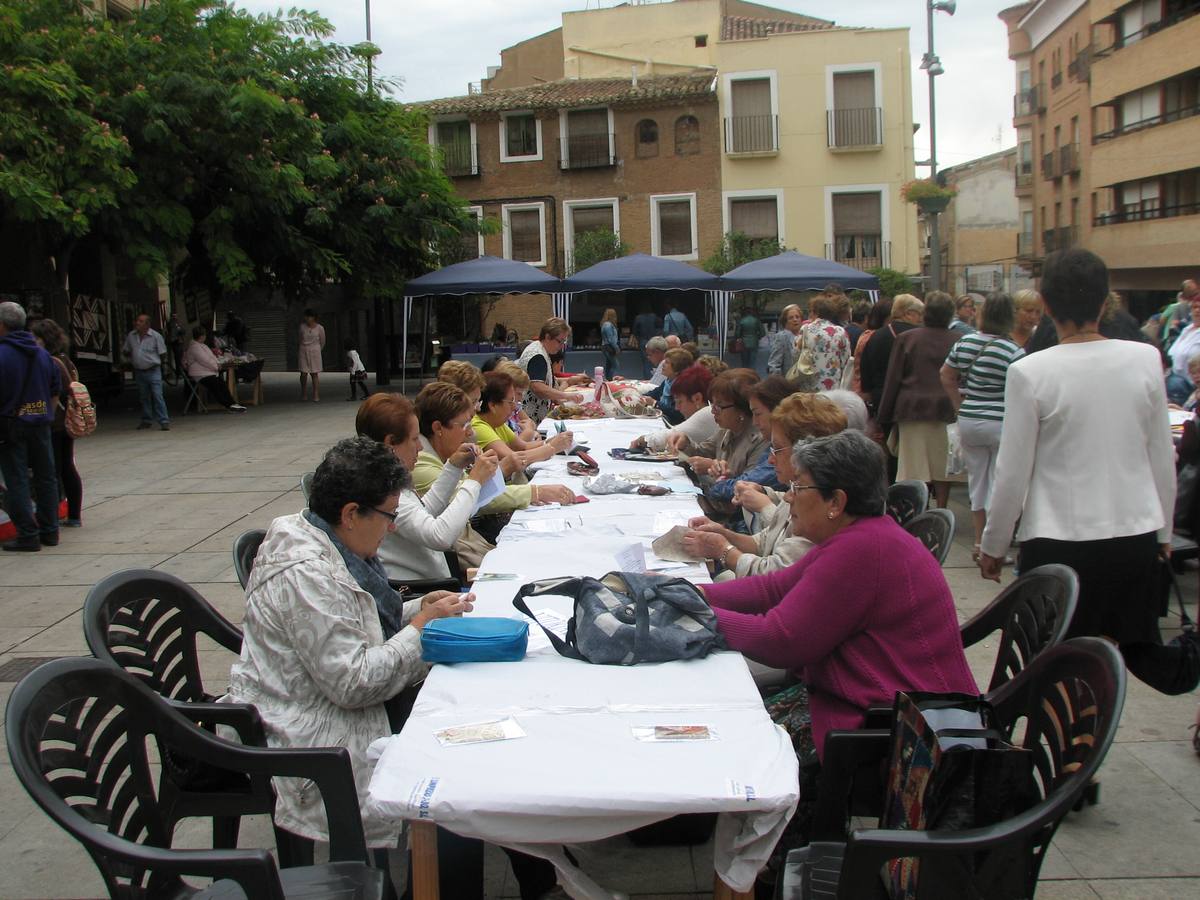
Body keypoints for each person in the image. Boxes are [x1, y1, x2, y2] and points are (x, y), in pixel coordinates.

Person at [698, 431, 976, 878]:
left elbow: (783, 639)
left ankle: (769, 867)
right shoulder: (857, 537)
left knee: (751, 746)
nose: (788, 498)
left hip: (895, 727)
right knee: (738, 722)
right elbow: (772, 588)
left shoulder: (865, 550)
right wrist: (694, 595)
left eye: (799, 487)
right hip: (870, 704)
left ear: (836, 501)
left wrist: (700, 618)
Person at [980, 249, 1179, 690]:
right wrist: (1164, 533)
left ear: (1046, 306)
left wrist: (993, 543)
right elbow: (1161, 457)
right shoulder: (1145, 359)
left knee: (1056, 660)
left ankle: (1070, 739)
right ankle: (1089, 733)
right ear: (1105, 301)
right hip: (1134, 533)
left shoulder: (1031, 371)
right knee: (1111, 657)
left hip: (1059, 541)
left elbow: (1013, 471)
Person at [683, 392, 847, 579]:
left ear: (805, 452)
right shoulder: (796, 490)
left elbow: (774, 577)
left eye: (777, 449)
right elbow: (763, 542)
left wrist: (722, 548)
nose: (770, 459)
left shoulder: (813, 507)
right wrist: (722, 533)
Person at [355, 393, 499, 581]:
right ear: (390, 442)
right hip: (422, 590)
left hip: (432, 585)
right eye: (414, 439)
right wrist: (474, 481)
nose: (420, 447)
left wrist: (454, 467)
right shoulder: (382, 491)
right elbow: (439, 536)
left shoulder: (384, 478)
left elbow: (423, 511)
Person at [412, 383, 576, 543]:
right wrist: (534, 491)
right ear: (438, 428)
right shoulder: (422, 464)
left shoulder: (445, 453)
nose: (470, 432)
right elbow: (466, 500)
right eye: (464, 425)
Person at [940, 292, 1025, 558]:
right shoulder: (1014, 351)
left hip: (969, 419)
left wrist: (959, 406)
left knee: (977, 481)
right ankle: (994, 545)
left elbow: (946, 375)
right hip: (1001, 422)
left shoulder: (965, 343)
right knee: (1000, 483)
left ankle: (978, 542)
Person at [877, 291, 965, 509]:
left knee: (915, 467)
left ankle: (919, 508)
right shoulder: (959, 340)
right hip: (947, 410)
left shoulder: (908, 339)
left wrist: (884, 415)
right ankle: (942, 508)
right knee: (943, 466)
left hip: (912, 410)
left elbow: (894, 378)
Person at [0, 302, 62, 551]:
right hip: (40, 422)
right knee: (46, 477)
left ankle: (28, 534)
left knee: (17, 480)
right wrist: (46, 415)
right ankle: (50, 530)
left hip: (11, 425)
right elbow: (55, 390)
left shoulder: (3, 355)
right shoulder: (42, 354)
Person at [686, 369, 775, 521]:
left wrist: (715, 471)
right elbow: (701, 451)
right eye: (712, 404)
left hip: (734, 518)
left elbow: (746, 488)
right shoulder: (726, 431)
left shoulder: (761, 439)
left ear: (741, 409)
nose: (713, 411)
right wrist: (684, 442)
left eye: (719, 406)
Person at [30, 318, 83, 529]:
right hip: (67, 421)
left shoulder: (50, 362)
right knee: (67, 466)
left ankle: (51, 517)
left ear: (45, 339)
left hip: (55, 423)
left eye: (36, 338)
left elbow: (55, 391)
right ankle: (73, 515)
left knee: (52, 471)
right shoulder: (65, 359)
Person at [472, 370, 574, 476]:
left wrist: (550, 442)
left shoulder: (496, 421)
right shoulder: (479, 426)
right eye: (511, 402)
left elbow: (523, 447)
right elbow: (515, 459)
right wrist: (552, 447)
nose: (515, 407)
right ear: (493, 406)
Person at [630, 363, 717, 453]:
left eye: (679, 402)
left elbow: (661, 439)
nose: (676, 408)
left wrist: (640, 441)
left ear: (697, 398)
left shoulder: (708, 413)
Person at [859, 294, 923, 414]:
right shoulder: (918, 336)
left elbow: (865, 368)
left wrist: (868, 392)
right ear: (908, 313)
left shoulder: (876, 336)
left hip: (881, 398)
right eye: (919, 314)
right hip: (911, 399)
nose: (921, 319)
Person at [515, 317, 583, 423]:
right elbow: (537, 387)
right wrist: (566, 395)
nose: (561, 346)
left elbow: (545, 378)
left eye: (563, 342)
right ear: (547, 337)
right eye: (560, 341)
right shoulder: (538, 356)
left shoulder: (539, 349)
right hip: (530, 418)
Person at [181, 326, 247, 412]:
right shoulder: (195, 347)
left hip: (206, 372)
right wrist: (216, 366)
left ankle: (232, 403)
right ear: (201, 336)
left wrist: (218, 363)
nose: (205, 336)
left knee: (221, 383)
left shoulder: (202, 345)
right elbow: (205, 360)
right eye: (204, 335)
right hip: (200, 374)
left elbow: (211, 357)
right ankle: (229, 404)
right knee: (216, 384)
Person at [123, 312, 170, 431]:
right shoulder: (131, 336)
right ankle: (146, 419)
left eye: (140, 321)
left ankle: (164, 420)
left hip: (153, 369)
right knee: (144, 397)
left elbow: (163, 353)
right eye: (137, 321)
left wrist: (160, 365)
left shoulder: (156, 336)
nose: (137, 323)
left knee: (157, 395)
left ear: (147, 324)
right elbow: (126, 350)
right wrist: (131, 357)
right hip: (139, 371)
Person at [796, 293, 852, 391]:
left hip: (809, 384)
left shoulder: (805, 329)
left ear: (815, 312)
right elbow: (846, 359)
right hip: (833, 385)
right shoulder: (840, 331)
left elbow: (795, 353)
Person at [493, 361, 543, 442]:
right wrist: (528, 434)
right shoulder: (499, 416)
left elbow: (531, 424)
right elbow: (509, 449)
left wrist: (534, 434)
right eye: (519, 393)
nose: (521, 398)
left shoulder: (516, 407)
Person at [648, 347, 694, 425]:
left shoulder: (683, 387)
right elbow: (654, 393)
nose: (663, 365)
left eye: (667, 362)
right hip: (663, 420)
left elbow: (678, 414)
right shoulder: (668, 381)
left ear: (677, 369)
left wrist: (655, 404)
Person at [767, 304, 803, 376]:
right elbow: (774, 364)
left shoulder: (805, 335)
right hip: (788, 381)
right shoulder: (781, 337)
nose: (795, 319)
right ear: (785, 322)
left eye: (797, 317)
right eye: (791, 318)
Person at [298, 308, 325, 402]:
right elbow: (300, 338)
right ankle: (304, 393)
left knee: (314, 373)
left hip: (315, 351)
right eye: (306, 316)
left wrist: (317, 349)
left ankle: (316, 394)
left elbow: (322, 341)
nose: (307, 318)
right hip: (304, 350)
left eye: (309, 316)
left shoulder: (320, 328)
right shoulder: (302, 327)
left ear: (313, 317)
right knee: (303, 373)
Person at [632, 306, 660, 378]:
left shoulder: (638, 317)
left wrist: (638, 338)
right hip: (653, 340)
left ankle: (647, 378)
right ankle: (655, 377)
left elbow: (635, 330)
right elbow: (659, 327)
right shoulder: (654, 316)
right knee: (655, 360)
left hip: (643, 340)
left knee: (646, 361)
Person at [599, 307, 620, 381]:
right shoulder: (608, 325)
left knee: (609, 364)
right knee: (615, 365)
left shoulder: (605, 324)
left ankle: (607, 380)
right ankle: (610, 379)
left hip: (606, 346)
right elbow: (611, 339)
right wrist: (616, 348)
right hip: (609, 347)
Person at [166, 312, 186, 385]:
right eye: (173, 316)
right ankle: (179, 373)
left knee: (181, 357)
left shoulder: (179, 323)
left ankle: (180, 372)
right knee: (177, 358)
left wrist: (179, 328)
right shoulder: (170, 323)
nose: (175, 317)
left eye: (176, 316)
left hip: (180, 342)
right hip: (175, 343)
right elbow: (172, 333)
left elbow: (183, 331)